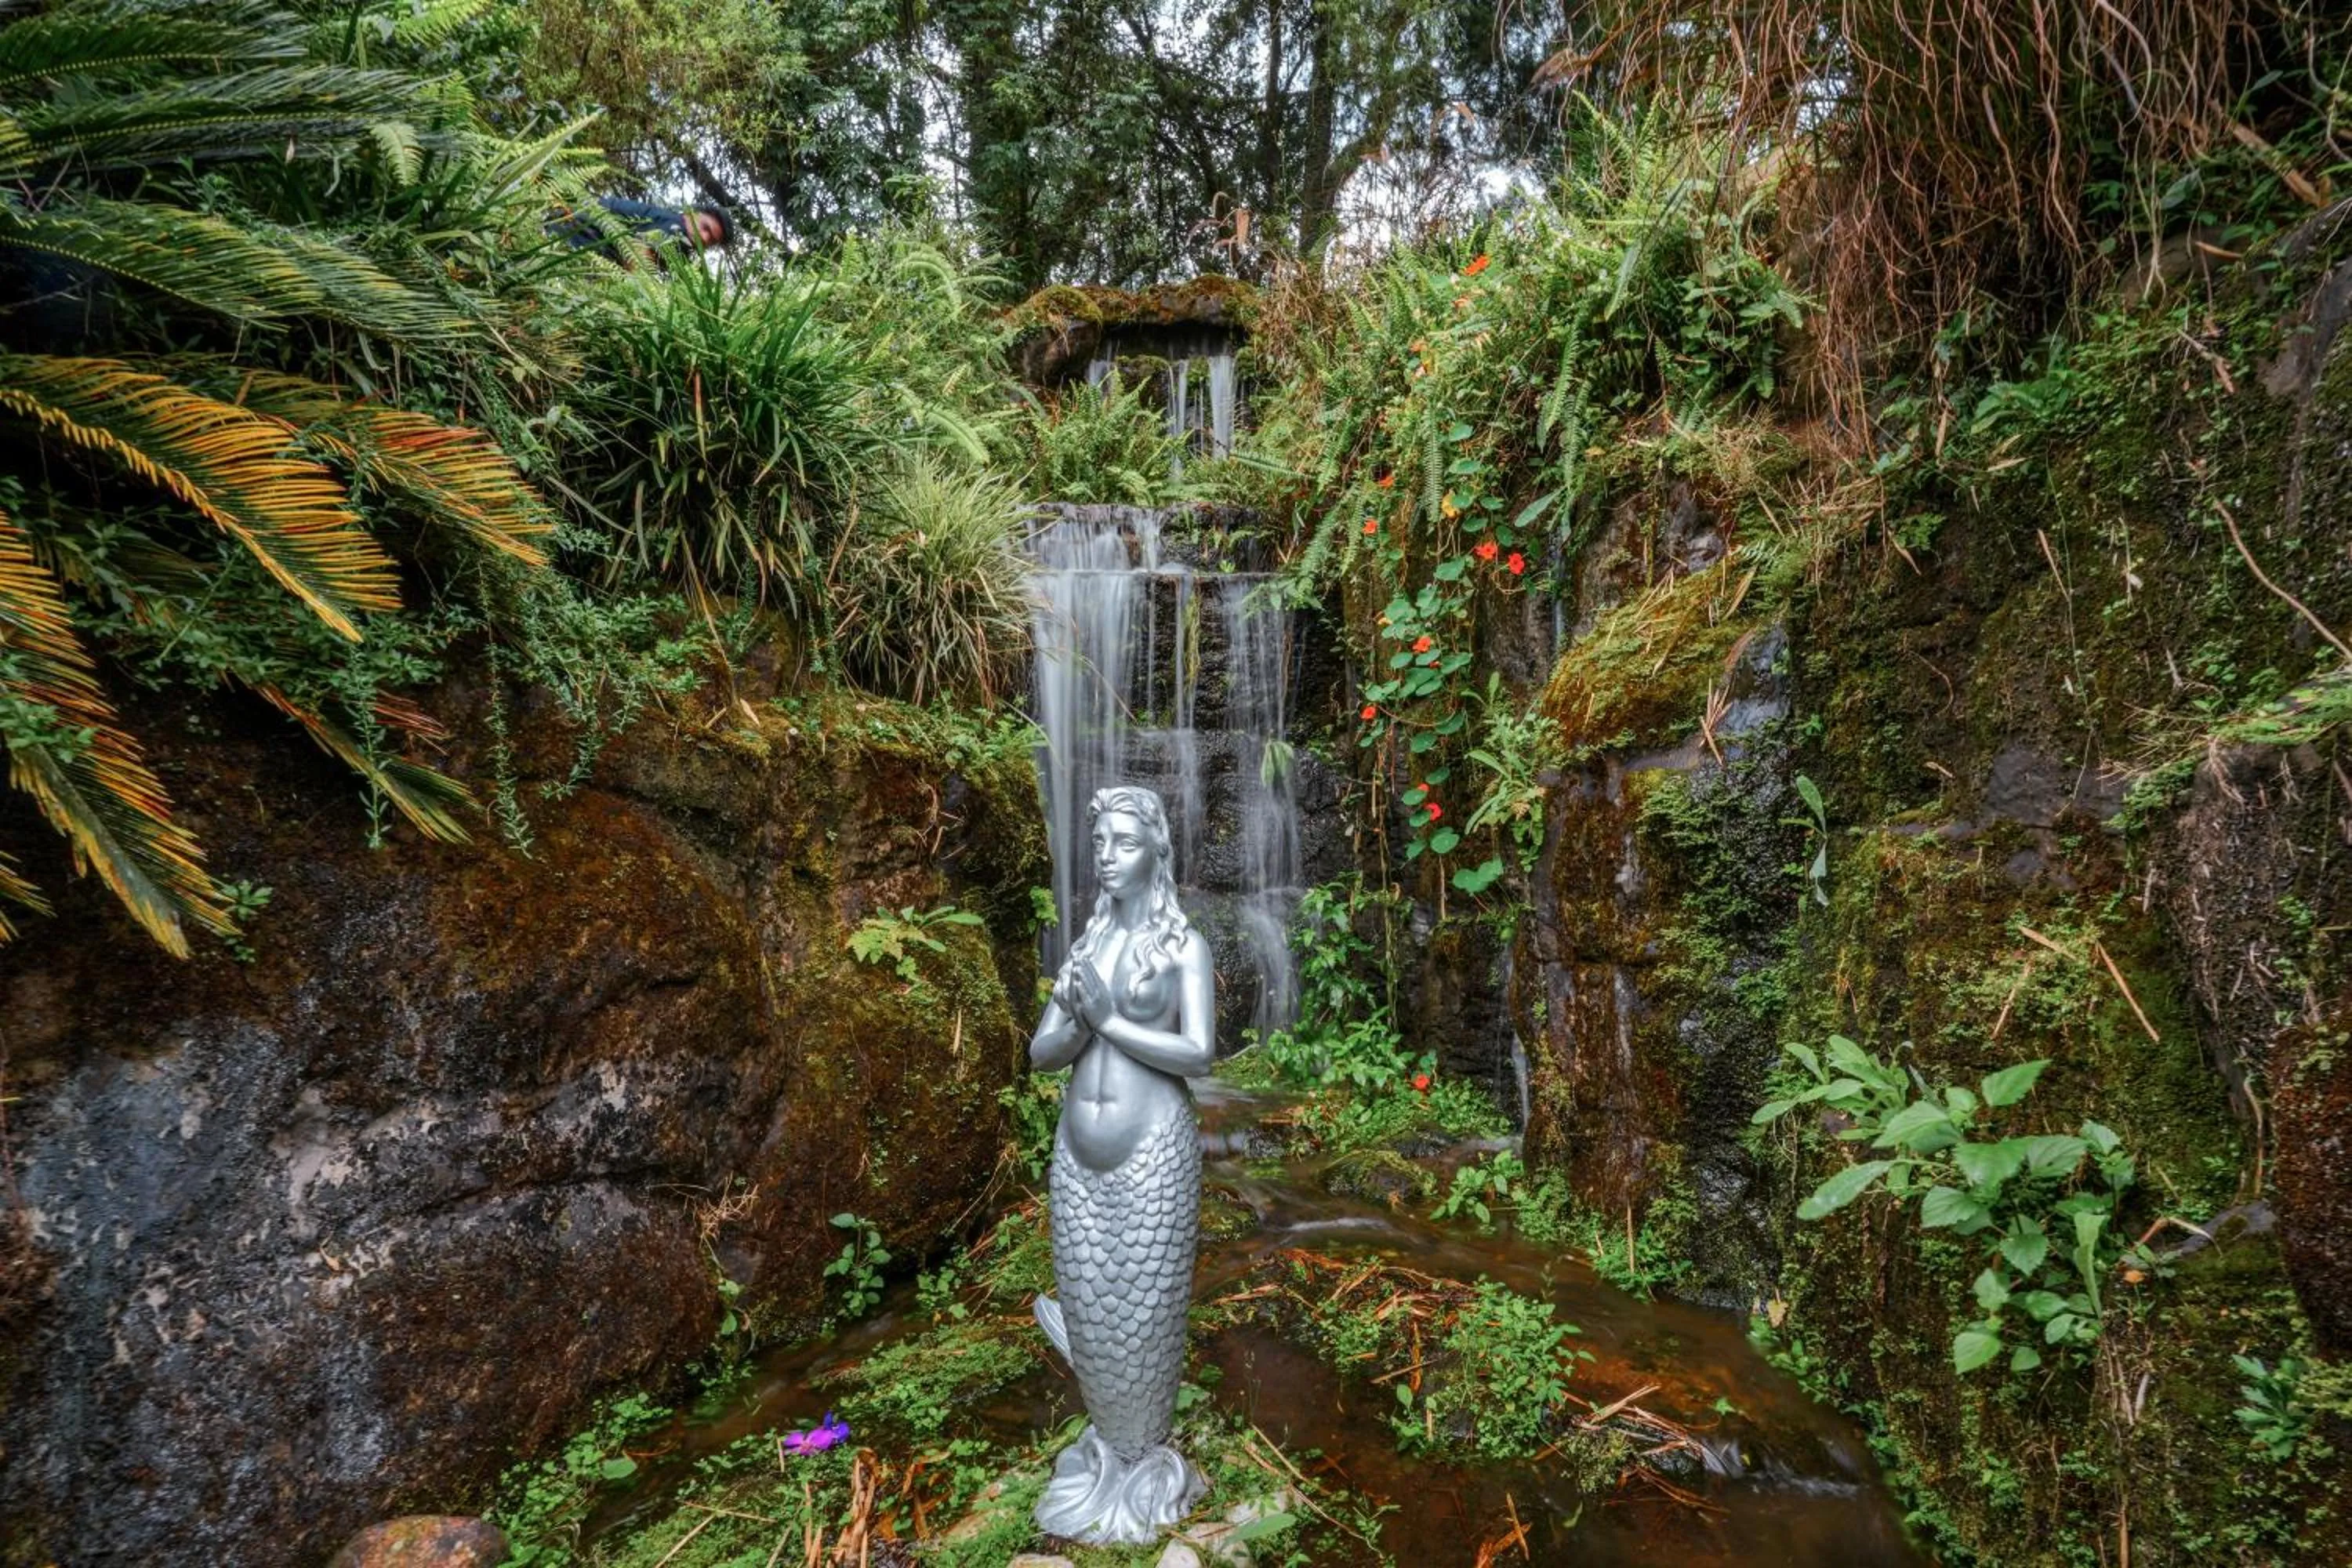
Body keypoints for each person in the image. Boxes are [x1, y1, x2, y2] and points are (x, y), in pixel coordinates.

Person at [1026, 785, 1214, 1542]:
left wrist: (1107, 1017)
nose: (1107, 856)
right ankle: (1110, 1453)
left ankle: (1145, 1464)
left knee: (1147, 1309)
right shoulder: (1085, 948)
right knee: (1094, 1305)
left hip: (1154, 1153)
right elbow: (1042, 1055)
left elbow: (1199, 1053)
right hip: (1078, 1158)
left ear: (1157, 853)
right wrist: (1077, 1016)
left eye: (1124, 843)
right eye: (1099, 842)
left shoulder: (1182, 947)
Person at [555, 196, 731, 265]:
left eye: (712, 240)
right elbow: (640, 254)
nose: (704, 238)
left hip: (572, 225)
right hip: (574, 232)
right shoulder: (676, 229)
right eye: (705, 228)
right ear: (690, 214)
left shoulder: (679, 241)